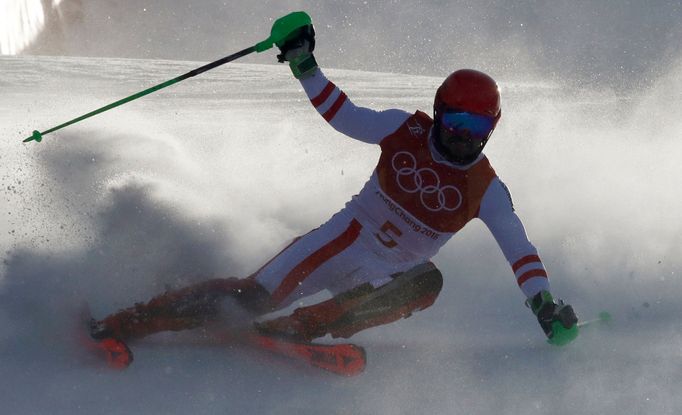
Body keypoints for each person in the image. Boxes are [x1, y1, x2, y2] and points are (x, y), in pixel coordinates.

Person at [90, 23, 578, 351]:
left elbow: (521, 251)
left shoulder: (485, 187)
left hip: (386, 276)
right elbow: (343, 115)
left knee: (429, 281)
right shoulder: (403, 129)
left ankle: (298, 329)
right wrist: (305, 64)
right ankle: (127, 323)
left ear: (490, 129)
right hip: (341, 241)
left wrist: (544, 304)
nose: (461, 135)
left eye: (475, 127)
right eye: (455, 120)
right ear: (439, 109)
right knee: (252, 296)